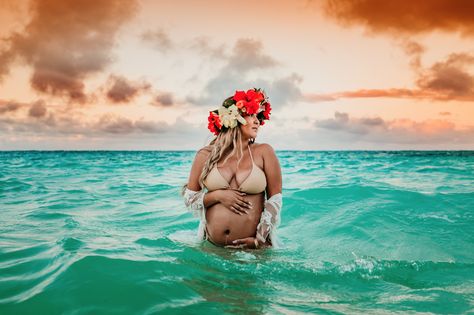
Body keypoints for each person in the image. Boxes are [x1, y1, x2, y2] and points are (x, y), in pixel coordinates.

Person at [181, 88, 283, 249]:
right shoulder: (205, 155)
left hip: (252, 251)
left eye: (258, 116)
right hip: (211, 248)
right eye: (251, 115)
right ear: (233, 118)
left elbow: (275, 201)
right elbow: (190, 199)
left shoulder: (264, 152)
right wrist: (217, 196)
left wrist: (259, 240)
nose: (257, 121)